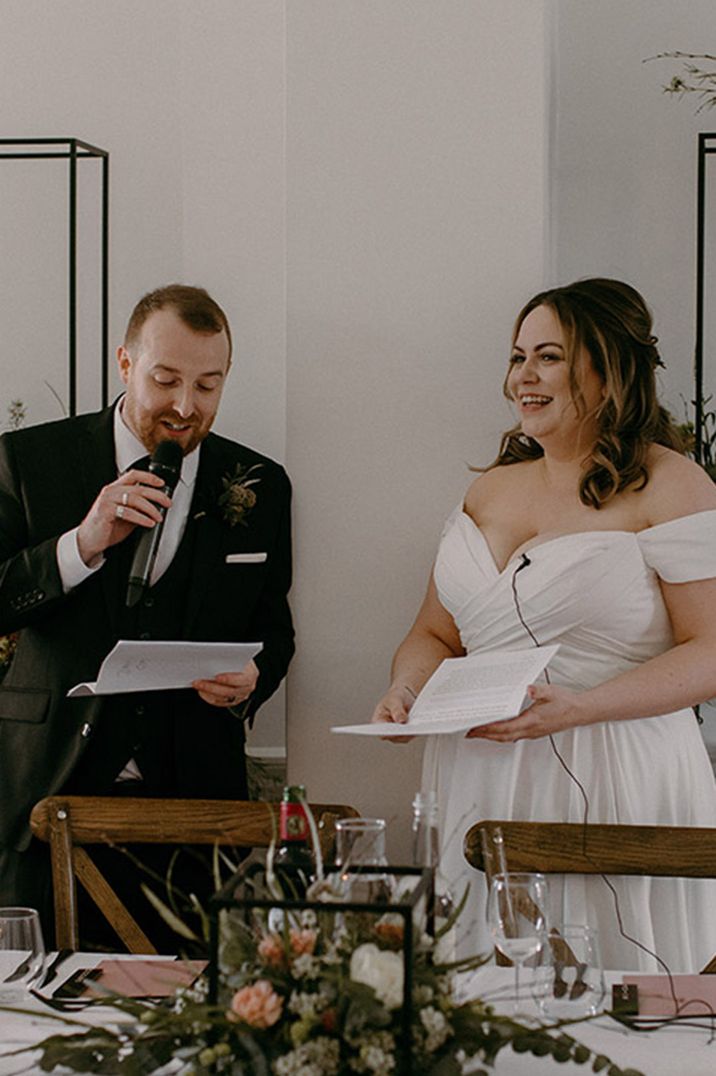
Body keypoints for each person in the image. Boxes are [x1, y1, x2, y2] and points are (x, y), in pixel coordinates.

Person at [372, 278, 716, 971]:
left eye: (548, 357)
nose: (522, 377)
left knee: (624, 994)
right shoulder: (489, 488)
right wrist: (407, 688)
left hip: (614, 770)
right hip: (481, 775)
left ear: (607, 366)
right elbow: (435, 634)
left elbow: (711, 649)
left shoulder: (672, 484)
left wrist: (580, 707)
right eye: (516, 356)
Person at [0, 284, 294, 944]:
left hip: (193, 813)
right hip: (43, 797)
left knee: (188, 1018)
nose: (186, 407)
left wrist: (254, 678)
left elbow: (275, 630)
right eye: (166, 380)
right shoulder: (30, 461)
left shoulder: (260, 483)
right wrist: (81, 544)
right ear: (125, 364)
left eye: (209, 386)